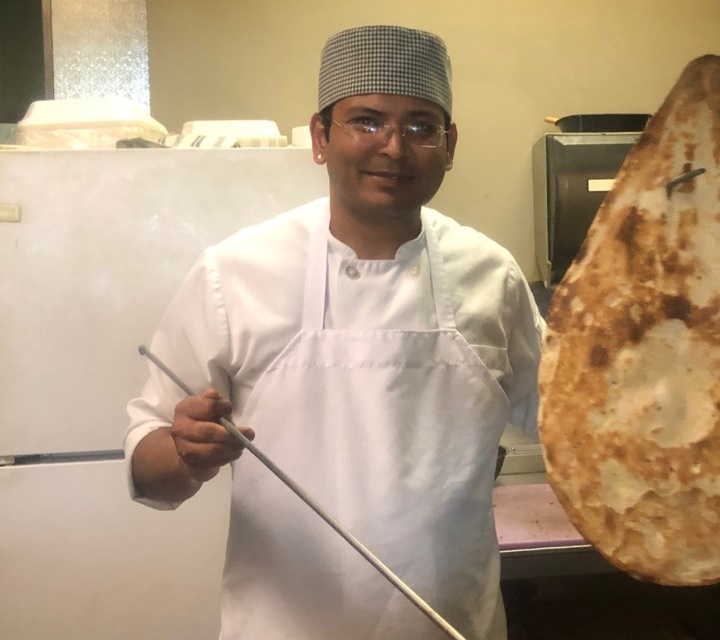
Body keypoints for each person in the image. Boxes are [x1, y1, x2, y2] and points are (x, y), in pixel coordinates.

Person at [125, 24, 543, 640]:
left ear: (450, 144)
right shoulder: (235, 272)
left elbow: (569, 426)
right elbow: (146, 460)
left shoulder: (492, 275)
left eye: (421, 126)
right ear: (320, 137)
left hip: (452, 625)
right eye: (366, 121)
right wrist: (185, 451)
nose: (394, 147)